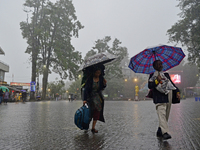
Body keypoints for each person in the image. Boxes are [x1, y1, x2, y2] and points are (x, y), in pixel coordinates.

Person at [148, 60, 180, 140]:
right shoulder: (152, 75)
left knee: (166, 115)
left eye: (161, 64)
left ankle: (160, 130)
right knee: (162, 114)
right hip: (159, 98)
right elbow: (150, 85)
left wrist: (177, 91)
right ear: (154, 66)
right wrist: (157, 80)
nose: (160, 65)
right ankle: (165, 132)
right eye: (158, 64)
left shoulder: (166, 74)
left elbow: (172, 84)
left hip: (168, 96)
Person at [83, 66, 107, 133]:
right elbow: (86, 90)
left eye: (99, 73)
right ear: (94, 73)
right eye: (96, 73)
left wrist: (104, 84)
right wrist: (84, 99)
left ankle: (93, 127)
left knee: (97, 111)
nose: (98, 74)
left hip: (98, 97)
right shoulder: (90, 79)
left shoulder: (101, 79)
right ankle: (86, 125)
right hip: (90, 97)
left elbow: (102, 87)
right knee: (90, 112)